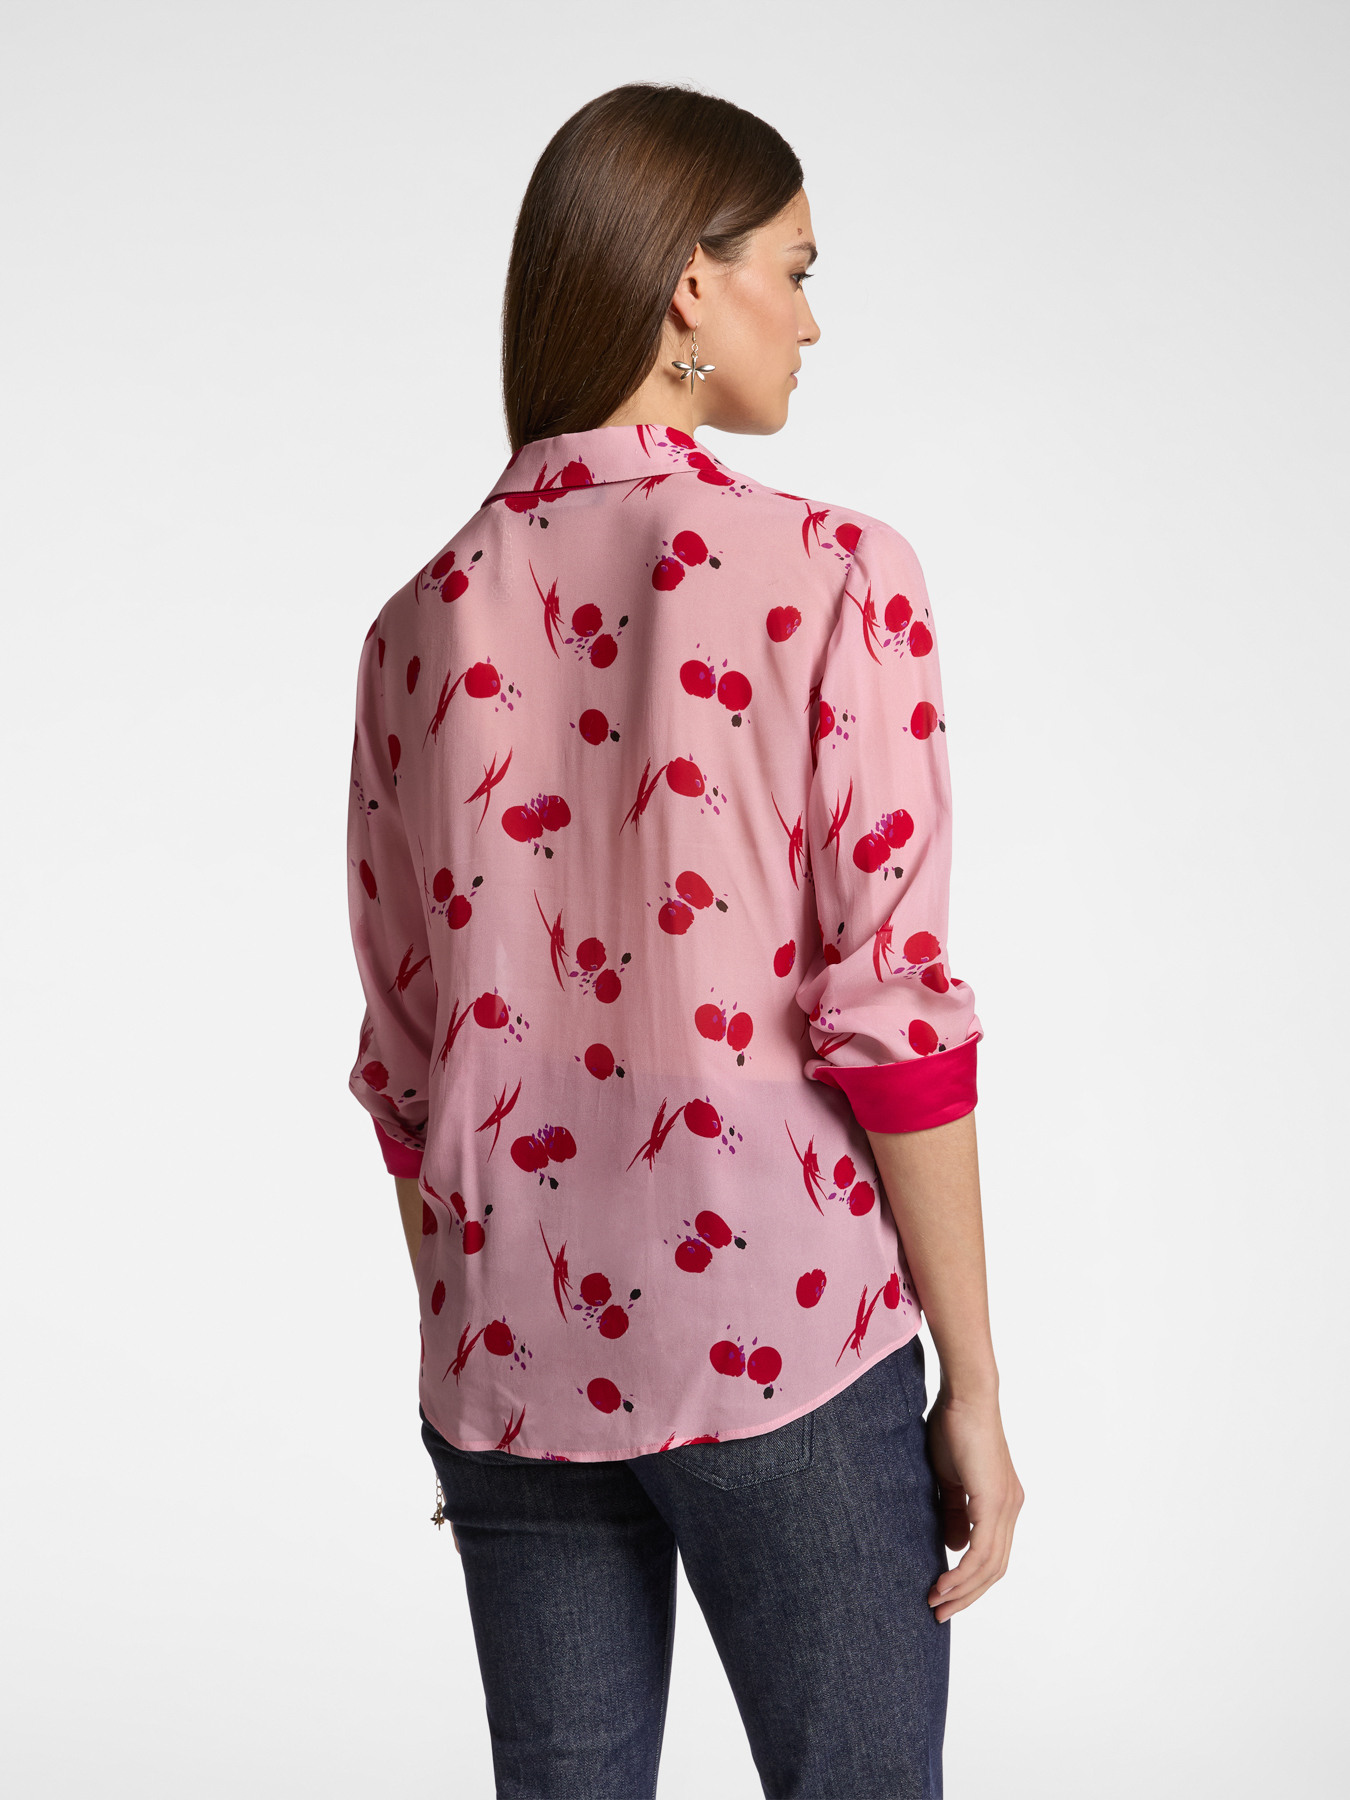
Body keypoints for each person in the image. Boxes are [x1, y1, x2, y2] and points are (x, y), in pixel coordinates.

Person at [345, 81, 1023, 1800]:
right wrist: (972, 1386)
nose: (811, 316)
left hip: (504, 1351)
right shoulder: (834, 568)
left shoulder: (413, 626)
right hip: (774, 1330)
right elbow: (894, 1017)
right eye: (793, 269)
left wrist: (478, 1328)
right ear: (687, 286)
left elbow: (407, 1073)